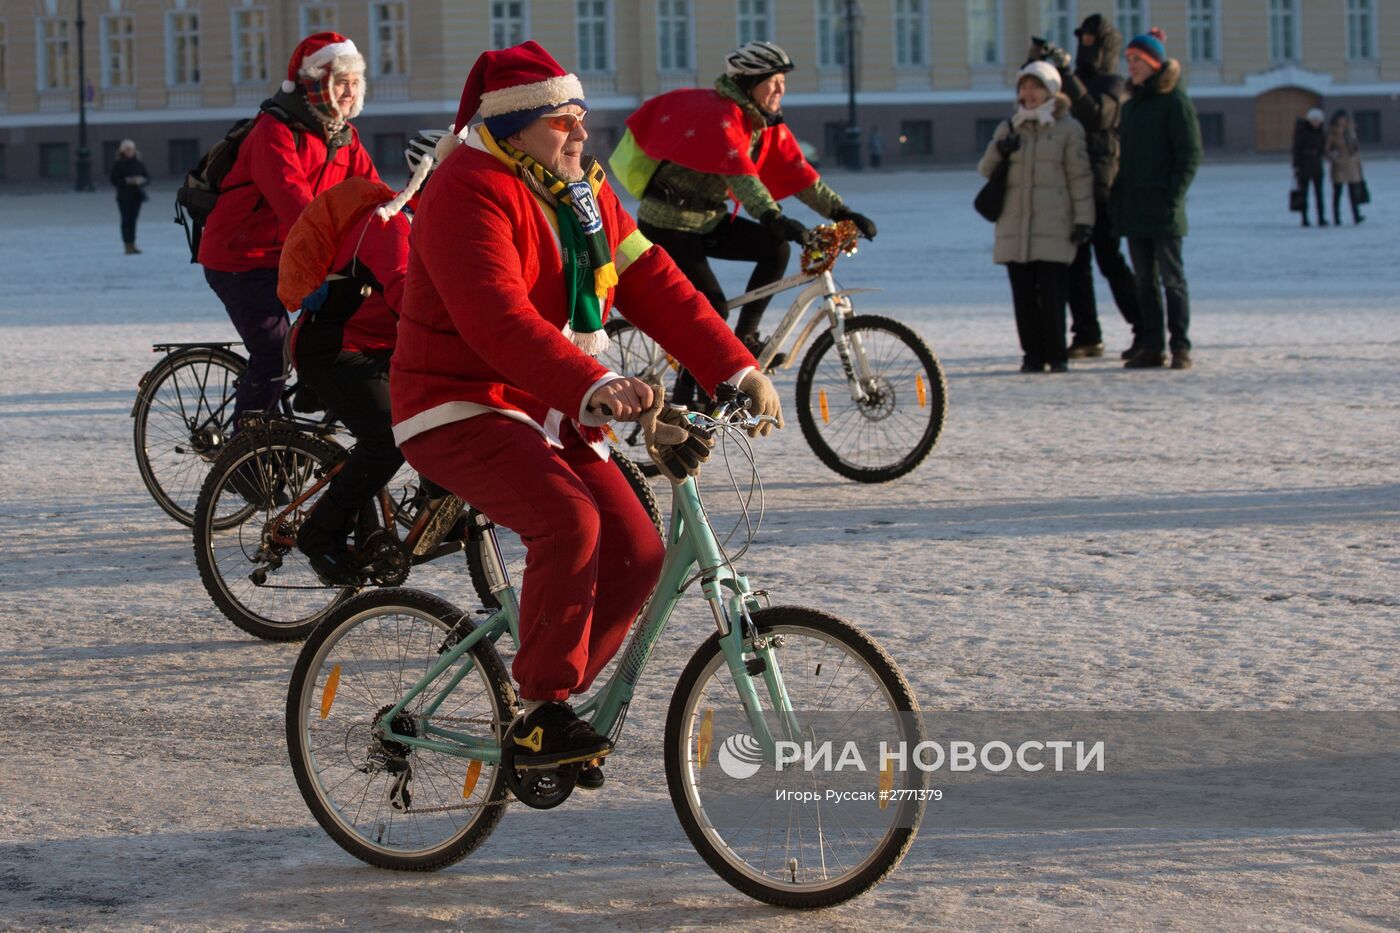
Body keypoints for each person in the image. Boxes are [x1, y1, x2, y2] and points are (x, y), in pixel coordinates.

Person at [390, 42, 783, 779]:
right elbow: (497, 319)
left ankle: (553, 701)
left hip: (545, 403)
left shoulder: (581, 190)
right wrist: (594, 385)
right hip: (455, 402)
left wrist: (735, 364)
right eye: (561, 121)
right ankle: (541, 710)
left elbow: (651, 278)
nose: (580, 134)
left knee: (637, 554)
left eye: (581, 118)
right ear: (514, 130)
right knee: (569, 518)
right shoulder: (466, 187)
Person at [615, 41, 877, 402]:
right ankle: (687, 393)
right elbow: (743, 178)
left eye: (783, 82)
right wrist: (773, 216)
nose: (781, 90)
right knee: (710, 308)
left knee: (775, 248)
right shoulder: (719, 116)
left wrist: (842, 212)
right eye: (774, 82)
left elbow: (798, 172)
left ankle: (745, 339)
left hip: (707, 219)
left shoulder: (760, 119)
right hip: (668, 223)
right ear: (751, 82)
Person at [277, 131, 452, 585]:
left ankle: (434, 500)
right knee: (388, 439)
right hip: (335, 349)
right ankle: (320, 534)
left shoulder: (446, 228)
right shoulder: (391, 225)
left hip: (380, 346)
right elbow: (408, 301)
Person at [199, 31, 380, 429]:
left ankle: (311, 418)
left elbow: (371, 195)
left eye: (354, 83)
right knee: (274, 351)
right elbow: (296, 206)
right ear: (315, 84)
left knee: (351, 328)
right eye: (340, 83)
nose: (349, 92)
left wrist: (402, 219)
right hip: (241, 258)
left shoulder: (345, 137)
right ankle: (246, 452)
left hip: (295, 255)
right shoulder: (274, 131)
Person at [978, 62, 1094, 374]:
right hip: (1015, 227)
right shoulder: (1010, 126)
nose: (1028, 94)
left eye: (1035, 87)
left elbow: (1079, 178)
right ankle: (1031, 356)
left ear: (1051, 91)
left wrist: (1084, 220)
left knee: (1054, 297)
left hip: (1053, 225)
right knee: (1023, 297)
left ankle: (1057, 356)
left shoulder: (1068, 128)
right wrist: (1001, 148)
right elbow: (985, 170)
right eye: (1024, 87)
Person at [1047, 14, 1141, 360]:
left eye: (1091, 41)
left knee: (1110, 260)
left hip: (1104, 188)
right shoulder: (1071, 81)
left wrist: (1068, 76)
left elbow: (1096, 115)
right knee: (1076, 264)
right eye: (1081, 39)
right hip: (1071, 186)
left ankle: (1144, 327)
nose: (1085, 46)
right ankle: (1087, 334)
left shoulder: (1115, 83)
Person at [1113, 28, 1202, 371]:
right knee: (1144, 283)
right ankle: (1151, 346)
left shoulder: (1175, 102)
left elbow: (1189, 155)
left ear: (1154, 63)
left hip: (1164, 209)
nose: (1131, 66)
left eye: (1137, 60)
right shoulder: (1133, 105)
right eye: (1129, 60)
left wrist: (1173, 197)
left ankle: (1180, 345)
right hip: (1135, 208)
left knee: (1172, 280)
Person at [1326, 109, 1366, 226]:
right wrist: (1335, 158)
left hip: (1351, 165)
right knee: (1337, 193)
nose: (1343, 121)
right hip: (1339, 167)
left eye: (1345, 119)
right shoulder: (1332, 133)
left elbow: (1356, 148)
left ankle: (1356, 215)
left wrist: (1358, 163)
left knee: (1353, 193)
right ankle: (1337, 218)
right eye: (1341, 119)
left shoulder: (1351, 132)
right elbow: (1327, 150)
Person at [110, 140, 149, 255]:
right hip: (124, 197)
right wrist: (127, 181)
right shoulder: (118, 164)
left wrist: (142, 180)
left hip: (137, 196)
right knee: (126, 220)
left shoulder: (139, 163)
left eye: (131, 149)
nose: (129, 151)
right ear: (122, 151)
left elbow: (147, 177)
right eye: (127, 149)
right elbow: (113, 180)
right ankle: (127, 245)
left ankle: (133, 244)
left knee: (133, 220)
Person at [1293, 107, 1328, 228]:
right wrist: (1296, 166)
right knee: (1304, 193)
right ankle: (1304, 218)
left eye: (1318, 120)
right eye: (1314, 120)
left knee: (1319, 194)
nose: (1316, 122)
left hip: (1317, 166)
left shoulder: (1321, 133)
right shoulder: (1302, 132)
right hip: (1304, 166)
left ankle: (1321, 218)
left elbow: (1323, 149)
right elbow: (1297, 149)